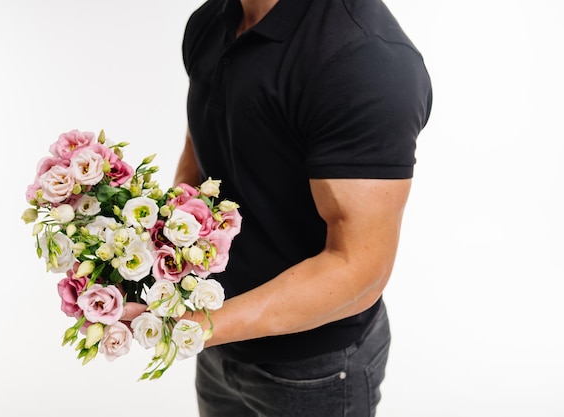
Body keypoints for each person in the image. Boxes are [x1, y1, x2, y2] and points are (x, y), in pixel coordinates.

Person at [126, 0, 432, 415]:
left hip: (313, 368)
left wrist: (192, 327)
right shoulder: (213, 20)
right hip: (218, 341)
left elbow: (360, 268)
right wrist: (143, 256)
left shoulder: (364, 60)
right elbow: (200, 152)